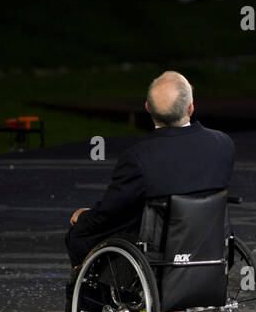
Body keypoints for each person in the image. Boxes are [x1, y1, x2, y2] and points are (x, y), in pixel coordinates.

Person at [65, 71, 235, 265]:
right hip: (211, 246)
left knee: (79, 235)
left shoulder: (139, 157)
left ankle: (93, 294)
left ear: (148, 108)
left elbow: (111, 213)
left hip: (158, 253)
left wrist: (85, 217)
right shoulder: (223, 144)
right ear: (190, 108)